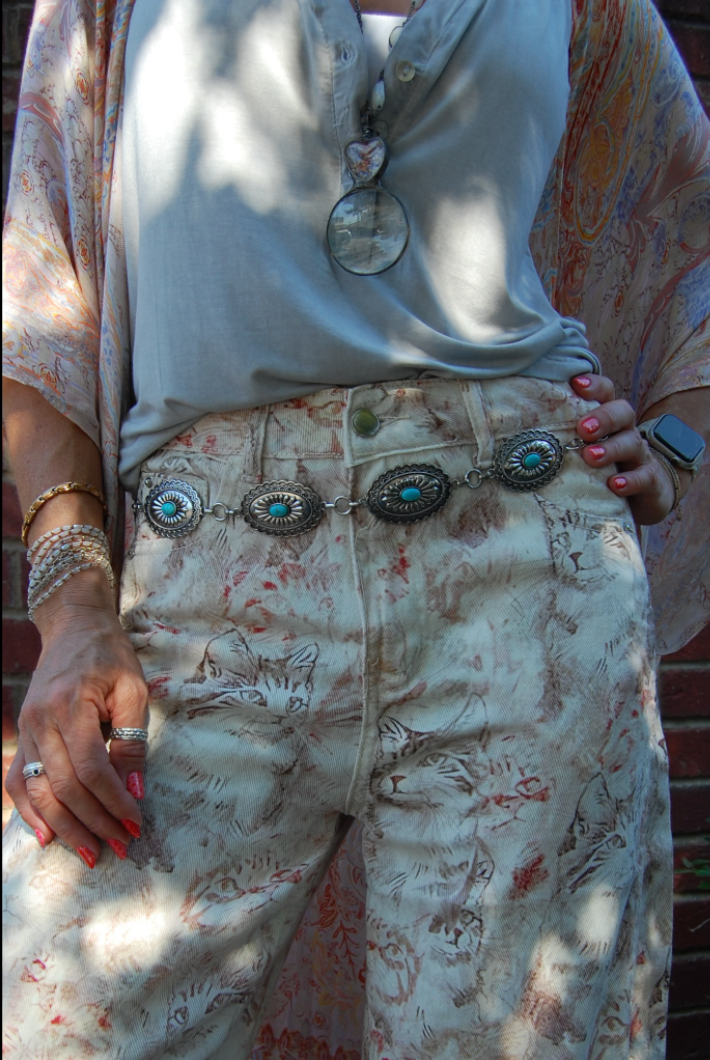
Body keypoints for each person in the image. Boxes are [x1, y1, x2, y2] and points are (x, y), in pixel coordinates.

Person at [2, 0, 708, 1056]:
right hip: (204, 596)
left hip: (525, 582)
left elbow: (688, 227)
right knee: (56, 1023)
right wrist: (74, 612)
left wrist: (678, 442)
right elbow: (41, 285)